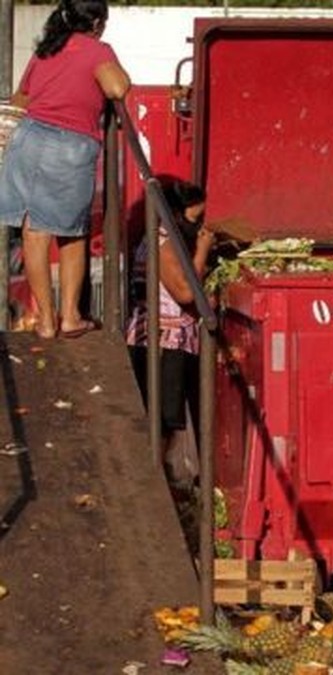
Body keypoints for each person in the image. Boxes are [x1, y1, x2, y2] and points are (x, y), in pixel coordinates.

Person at [0, 0, 130, 339]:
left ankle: (44, 319)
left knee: (33, 232)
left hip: (28, 141)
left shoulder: (47, 48)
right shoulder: (97, 49)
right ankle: (70, 315)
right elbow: (117, 88)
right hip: (70, 144)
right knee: (71, 231)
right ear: (98, 22)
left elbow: (20, 100)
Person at [125, 180, 215, 489]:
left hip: (160, 338)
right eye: (196, 219)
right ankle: (151, 487)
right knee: (162, 422)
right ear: (177, 214)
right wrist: (202, 250)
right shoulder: (164, 243)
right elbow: (186, 292)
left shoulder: (156, 240)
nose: (200, 226)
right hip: (163, 342)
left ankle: (158, 483)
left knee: (164, 422)